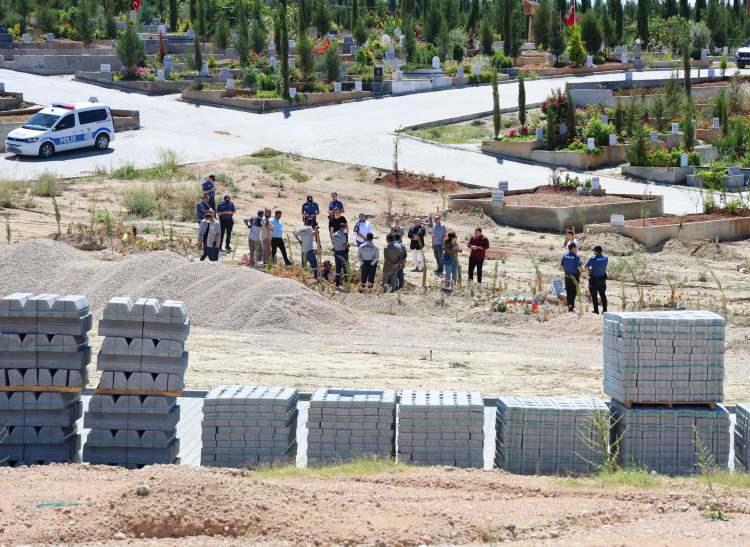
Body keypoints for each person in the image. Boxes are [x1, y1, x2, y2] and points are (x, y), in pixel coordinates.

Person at [586, 245, 609, 314]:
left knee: (594, 296)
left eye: (594, 251)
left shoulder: (592, 258)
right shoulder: (606, 258)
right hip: (602, 279)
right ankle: (605, 310)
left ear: (595, 251)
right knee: (603, 295)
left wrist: (590, 270)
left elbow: (586, 267)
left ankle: (596, 310)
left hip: (594, 280)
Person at [561, 242, 582, 312]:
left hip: (567, 276)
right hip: (574, 277)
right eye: (576, 248)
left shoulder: (564, 256)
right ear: (573, 248)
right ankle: (571, 306)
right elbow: (579, 268)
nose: (577, 250)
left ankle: (570, 306)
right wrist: (581, 272)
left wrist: (567, 271)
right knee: (574, 292)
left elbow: (561, 267)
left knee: (568, 291)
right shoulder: (576, 257)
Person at [331, 222, 350, 288]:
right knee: (345, 268)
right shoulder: (343, 235)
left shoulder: (334, 235)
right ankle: (347, 283)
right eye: (344, 227)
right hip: (342, 253)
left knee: (338, 269)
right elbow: (344, 245)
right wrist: (347, 246)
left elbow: (333, 243)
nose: (345, 228)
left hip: (336, 253)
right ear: (342, 228)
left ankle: (337, 284)